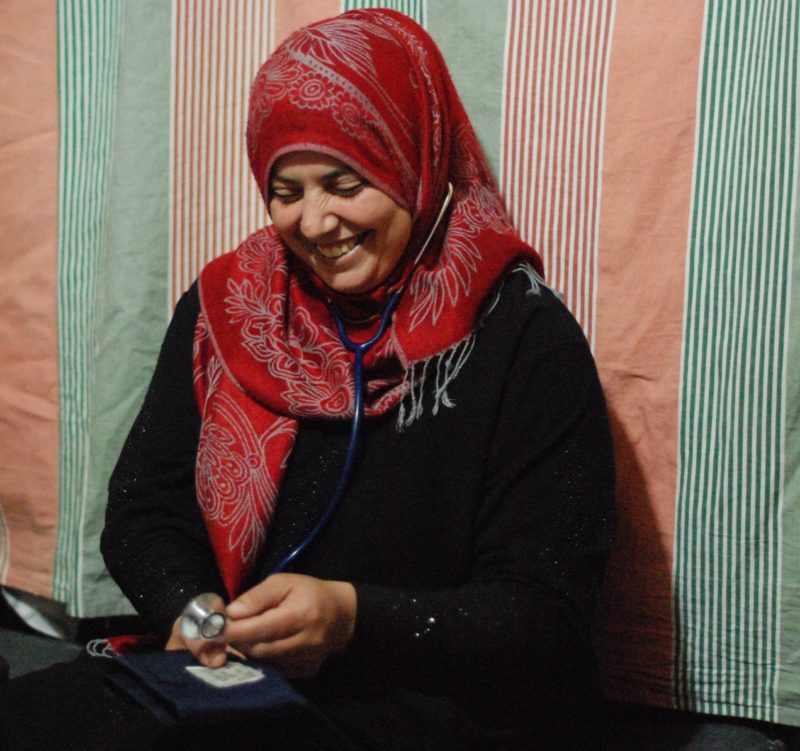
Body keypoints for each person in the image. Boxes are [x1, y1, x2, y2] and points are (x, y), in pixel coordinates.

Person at [0, 8, 614, 750]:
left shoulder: (524, 338)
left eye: (345, 182)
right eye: (286, 191)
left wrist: (350, 618)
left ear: (409, 159)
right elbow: (144, 510)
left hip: (439, 702)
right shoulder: (228, 305)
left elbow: (544, 612)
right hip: (240, 680)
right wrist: (198, 617)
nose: (316, 223)